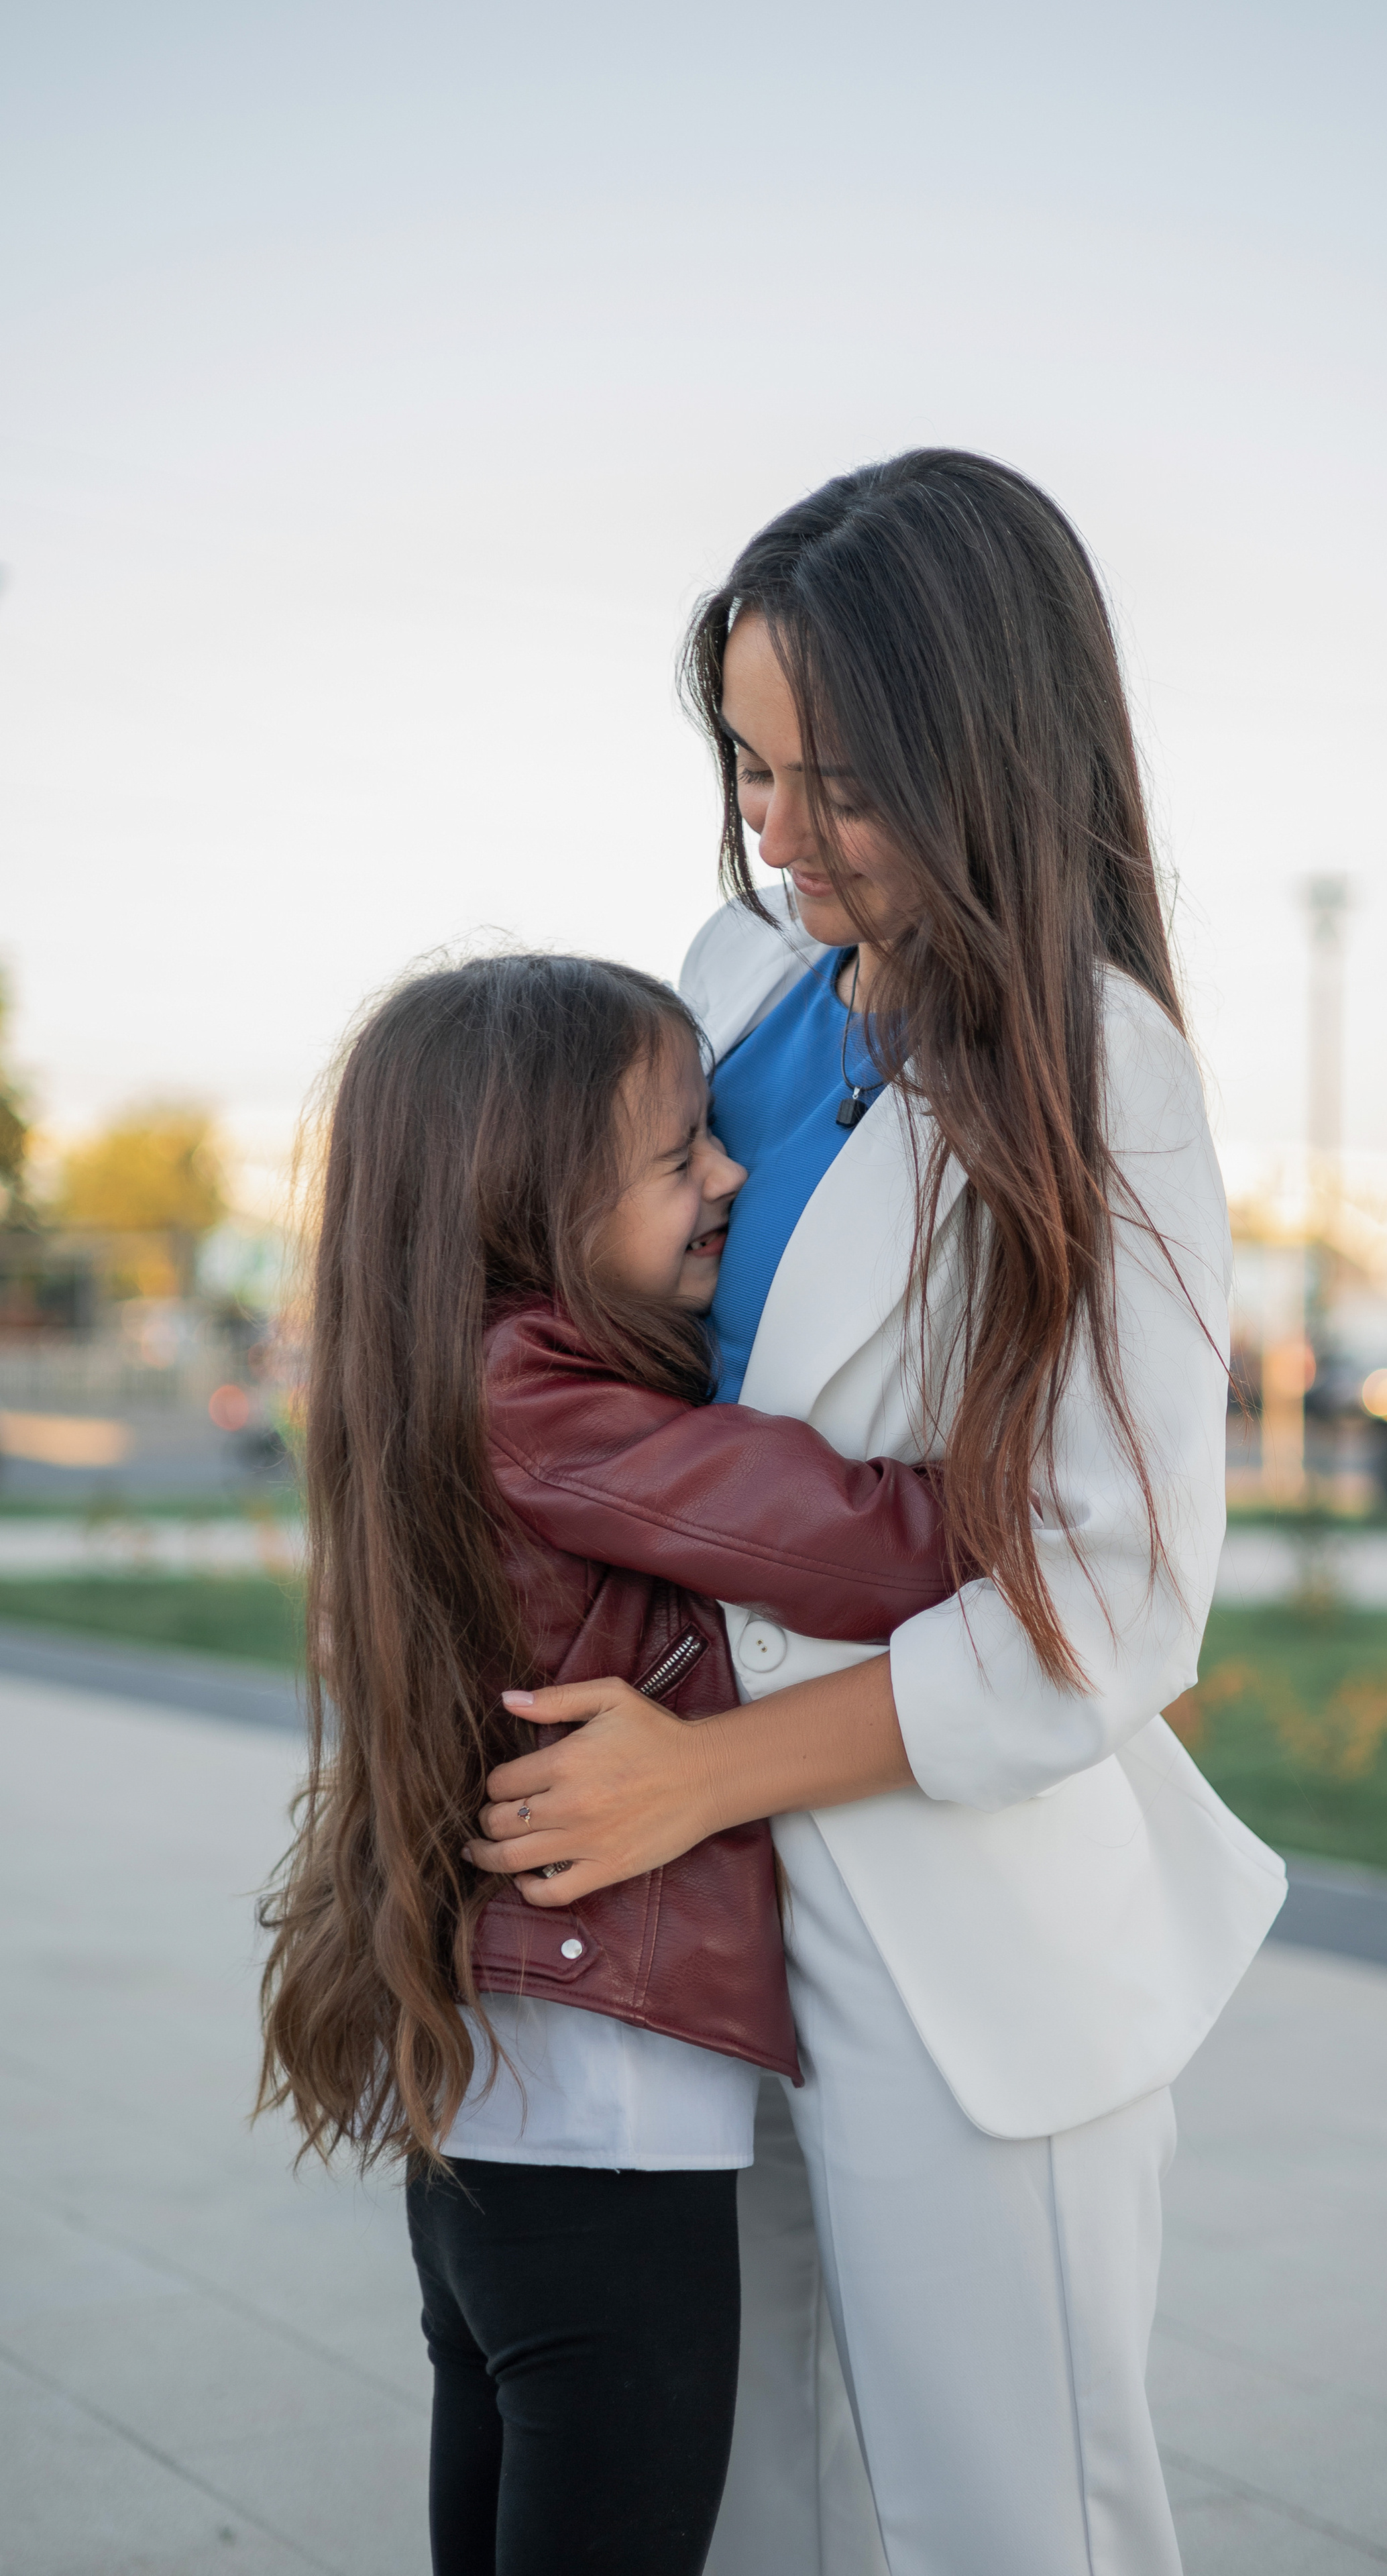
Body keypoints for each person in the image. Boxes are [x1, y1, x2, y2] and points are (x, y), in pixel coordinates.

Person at [464, 451, 1288, 2576]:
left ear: (991, 747)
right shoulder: (728, 985)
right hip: (693, 1925)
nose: (780, 829)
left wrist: (696, 1777)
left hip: (955, 1927)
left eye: (839, 781)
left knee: (1006, 2531)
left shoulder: (1104, 1079)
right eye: (747, 761)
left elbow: (1109, 1601)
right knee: (741, 2516)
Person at [256, 953, 958, 2576]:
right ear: (530, 1213)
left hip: (508, 2120)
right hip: (599, 2121)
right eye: (678, 1159)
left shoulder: (449, 1373)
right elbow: (876, 1551)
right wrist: (1050, 1481)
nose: (728, 1174)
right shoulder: (543, 1401)